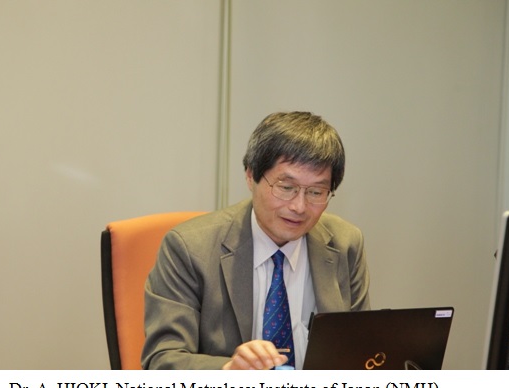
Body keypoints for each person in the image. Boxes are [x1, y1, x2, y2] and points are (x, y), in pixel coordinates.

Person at [142, 111, 370, 370]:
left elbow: (361, 351)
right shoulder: (188, 248)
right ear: (251, 176)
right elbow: (162, 360)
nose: (299, 207)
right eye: (286, 188)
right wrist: (229, 371)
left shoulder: (345, 243)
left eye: (316, 192)